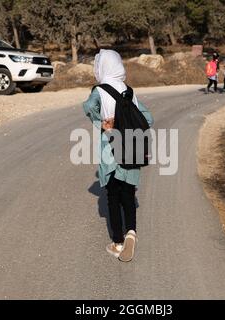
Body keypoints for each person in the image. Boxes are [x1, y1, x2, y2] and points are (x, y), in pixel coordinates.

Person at [83, 49, 154, 262]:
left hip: (111, 149)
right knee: (129, 195)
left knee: (112, 198)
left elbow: (88, 108)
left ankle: (117, 242)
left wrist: (103, 122)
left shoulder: (100, 91)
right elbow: (147, 118)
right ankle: (131, 231)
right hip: (131, 148)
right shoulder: (129, 91)